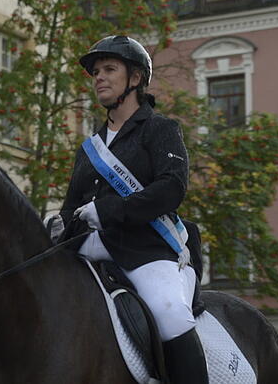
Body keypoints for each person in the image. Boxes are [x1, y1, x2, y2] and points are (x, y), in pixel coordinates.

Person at [60, 35, 207, 384]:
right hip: (89, 249)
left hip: (146, 251)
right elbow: (72, 206)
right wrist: (59, 225)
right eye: (96, 71)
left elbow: (171, 188)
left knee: (169, 314)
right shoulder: (89, 148)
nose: (99, 77)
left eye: (109, 69)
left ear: (136, 79)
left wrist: (110, 212)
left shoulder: (160, 130)